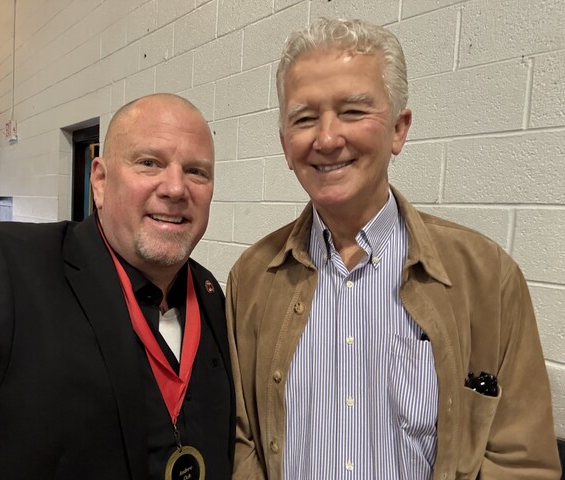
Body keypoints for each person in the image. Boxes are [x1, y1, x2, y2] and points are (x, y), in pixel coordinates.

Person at [227, 18, 561, 480]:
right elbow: (243, 443)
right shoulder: (251, 279)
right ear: (286, 145)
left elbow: (520, 463)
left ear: (399, 129)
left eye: (352, 111)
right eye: (304, 118)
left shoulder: (486, 278)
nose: (327, 138)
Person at [0, 93, 235, 479]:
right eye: (149, 163)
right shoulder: (7, 272)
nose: (175, 188)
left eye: (196, 171)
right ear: (100, 181)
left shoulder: (210, 294)